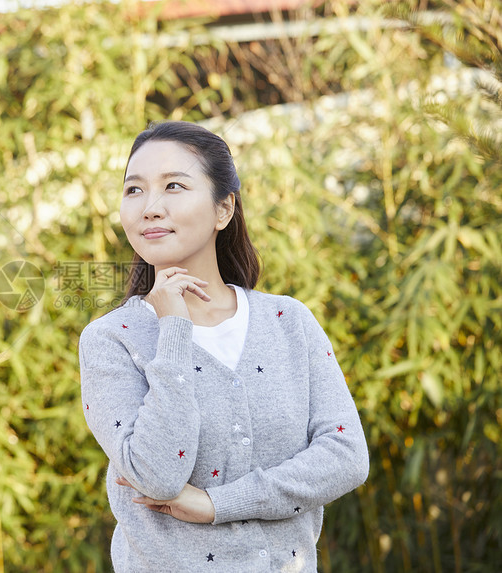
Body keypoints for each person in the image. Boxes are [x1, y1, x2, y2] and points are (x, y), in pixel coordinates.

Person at [78, 121, 369, 572]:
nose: (150, 208)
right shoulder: (111, 341)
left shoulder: (287, 321)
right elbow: (157, 474)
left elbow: (346, 457)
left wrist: (219, 503)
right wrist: (173, 327)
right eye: (133, 190)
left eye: (173, 185)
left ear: (223, 209)